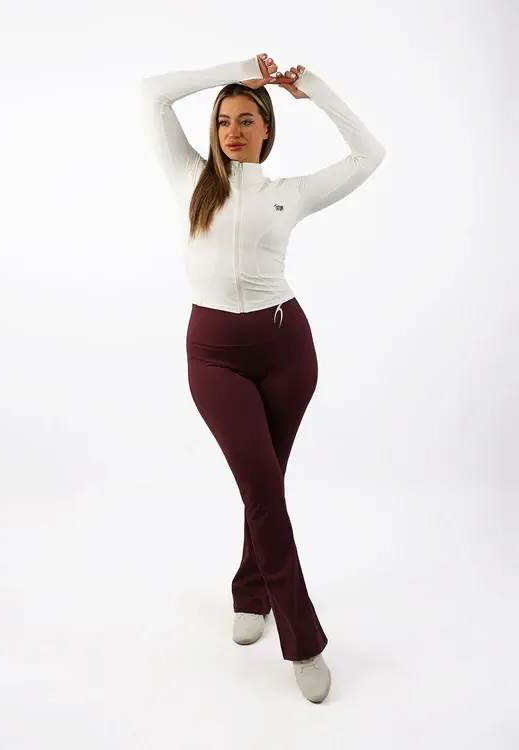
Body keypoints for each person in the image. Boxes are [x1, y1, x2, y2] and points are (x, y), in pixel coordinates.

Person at [140, 52, 386, 704]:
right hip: (214, 357)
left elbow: (369, 154)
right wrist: (241, 68)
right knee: (263, 488)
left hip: (286, 351)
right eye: (224, 120)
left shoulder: (290, 192)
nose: (233, 130)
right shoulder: (191, 179)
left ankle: (251, 589)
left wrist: (314, 89)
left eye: (247, 119)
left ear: (267, 130)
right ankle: (304, 640)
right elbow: (153, 92)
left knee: (265, 486)